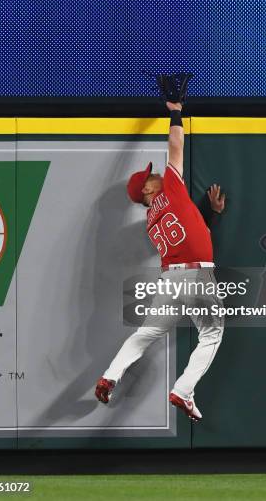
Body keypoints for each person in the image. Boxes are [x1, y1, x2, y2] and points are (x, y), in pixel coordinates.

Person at [94, 101, 226, 421]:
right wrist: (176, 111)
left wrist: (208, 213)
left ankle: (110, 375)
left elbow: (189, 231)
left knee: (147, 332)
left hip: (170, 279)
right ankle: (183, 390)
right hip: (196, 276)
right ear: (148, 187)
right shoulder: (170, 187)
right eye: (148, 176)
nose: (153, 175)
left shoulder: (152, 220)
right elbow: (175, 144)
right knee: (211, 334)